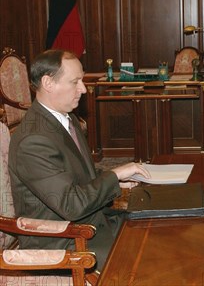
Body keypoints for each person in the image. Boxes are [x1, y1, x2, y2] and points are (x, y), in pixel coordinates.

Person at [8, 49, 150, 271]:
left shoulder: (67, 118)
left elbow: (77, 180)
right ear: (48, 83)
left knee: (158, 228)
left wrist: (114, 182)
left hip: (91, 225)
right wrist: (114, 175)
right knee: (147, 260)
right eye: (75, 82)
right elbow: (71, 205)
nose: (83, 89)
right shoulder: (33, 141)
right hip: (64, 242)